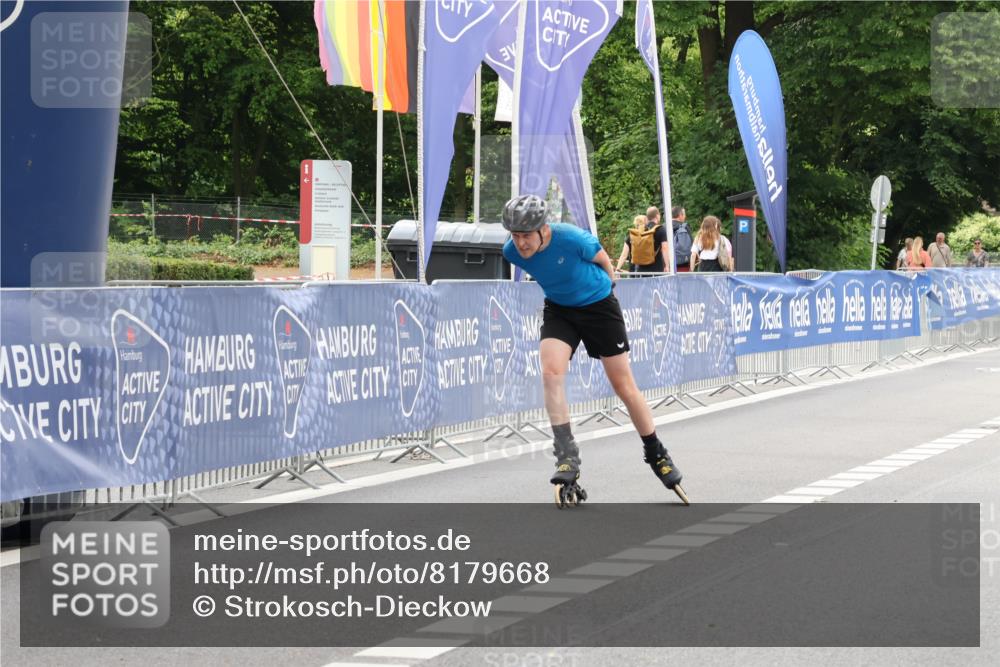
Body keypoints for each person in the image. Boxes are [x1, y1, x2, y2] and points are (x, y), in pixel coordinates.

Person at [500, 194, 688, 507]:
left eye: (526, 236)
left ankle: (656, 452)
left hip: (599, 306)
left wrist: (608, 290)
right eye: (515, 236)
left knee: (623, 385)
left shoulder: (571, 238)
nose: (520, 244)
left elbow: (603, 260)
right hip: (560, 309)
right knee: (550, 372)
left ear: (543, 229)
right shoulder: (511, 252)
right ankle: (566, 456)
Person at [614, 211, 669, 276]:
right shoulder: (653, 233)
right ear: (646, 222)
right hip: (656, 270)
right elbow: (664, 248)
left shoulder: (632, 236)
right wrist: (667, 266)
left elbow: (624, 255)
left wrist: (617, 269)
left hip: (636, 270)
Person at [671, 206, 692, 272]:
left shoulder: (664, 227)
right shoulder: (685, 227)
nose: (685, 216)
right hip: (683, 264)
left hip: (668, 264)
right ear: (680, 215)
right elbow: (691, 243)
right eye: (684, 214)